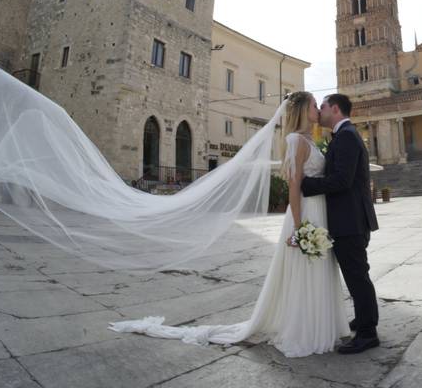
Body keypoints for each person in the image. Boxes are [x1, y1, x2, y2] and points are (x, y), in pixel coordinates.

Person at [109, 91, 349, 357]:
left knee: (317, 269)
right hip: (306, 215)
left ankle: (318, 324)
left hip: (319, 211)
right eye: (315, 105)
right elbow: (294, 187)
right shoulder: (295, 140)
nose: (319, 109)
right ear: (304, 110)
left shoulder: (309, 140)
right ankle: (305, 329)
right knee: (306, 271)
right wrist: (298, 225)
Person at [301, 93, 380, 354]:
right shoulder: (345, 134)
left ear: (334, 109)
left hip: (350, 220)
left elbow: (341, 181)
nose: (320, 111)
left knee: (357, 276)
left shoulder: (346, 136)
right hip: (351, 219)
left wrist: (307, 185)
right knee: (356, 274)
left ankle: (368, 333)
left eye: (322, 106)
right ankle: (362, 320)